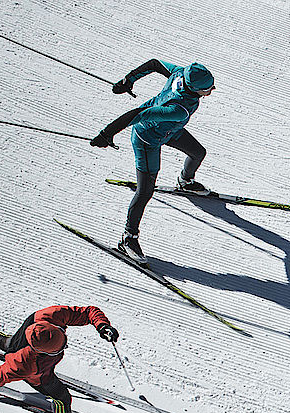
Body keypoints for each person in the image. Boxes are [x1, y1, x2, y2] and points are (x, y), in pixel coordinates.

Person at [89, 59, 217, 264]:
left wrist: (128, 80)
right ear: (195, 89)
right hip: (147, 139)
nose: (212, 90)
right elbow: (138, 115)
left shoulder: (181, 73)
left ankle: (186, 181)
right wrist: (107, 134)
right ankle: (128, 239)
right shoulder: (178, 109)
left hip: (170, 130)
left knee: (198, 153)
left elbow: (155, 64)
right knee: (145, 191)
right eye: (208, 88)